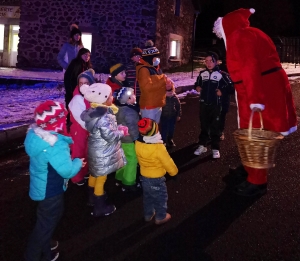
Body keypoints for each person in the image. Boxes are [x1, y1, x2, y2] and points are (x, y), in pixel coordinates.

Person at [213, 8, 297, 196]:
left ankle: (257, 180)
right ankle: (249, 168)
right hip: (267, 86)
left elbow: (250, 68)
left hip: (258, 90)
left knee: (255, 135)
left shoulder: (239, 37)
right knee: (254, 133)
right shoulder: (252, 33)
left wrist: (255, 99)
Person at [24, 101, 85, 261]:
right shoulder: (55, 143)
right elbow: (67, 170)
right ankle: (34, 255)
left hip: (42, 188)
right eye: (62, 118)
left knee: (45, 221)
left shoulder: (36, 136)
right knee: (45, 225)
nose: (65, 121)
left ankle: (46, 245)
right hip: (51, 191)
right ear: (55, 122)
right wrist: (78, 162)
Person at [80, 83, 128, 217]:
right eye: (110, 95)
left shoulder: (93, 112)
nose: (112, 97)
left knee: (94, 174)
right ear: (104, 99)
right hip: (103, 152)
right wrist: (122, 132)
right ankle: (100, 207)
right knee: (101, 178)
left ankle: (92, 198)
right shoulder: (104, 116)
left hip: (96, 149)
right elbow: (110, 136)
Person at [135, 118, 178, 225]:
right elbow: (167, 162)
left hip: (144, 177)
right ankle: (160, 216)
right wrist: (174, 173)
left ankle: (148, 214)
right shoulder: (158, 147)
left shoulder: (137, 143)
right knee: (161, 197)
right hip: (157, 179)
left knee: (148, 197)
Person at [193, 51, 233, 159]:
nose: (208, 63)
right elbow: (197, 83)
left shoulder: (222, 74)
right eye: (206, 61)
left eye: (211, 61)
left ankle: (215, 148)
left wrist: (222, 91)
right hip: (204, 104)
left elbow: (231, 88)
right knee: (204, 126)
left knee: (215, 127)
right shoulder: (202, 74)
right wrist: (197, 87)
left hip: (216, 105)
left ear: (216, 62)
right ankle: (202, 145)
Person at [68, 69, 96, 186]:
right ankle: (76, 176)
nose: (83, 86)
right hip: (79, 131)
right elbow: (81, 118)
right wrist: (92, 128)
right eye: (81, 83)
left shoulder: (91, 97)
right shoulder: (77, 99)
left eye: (86, 83)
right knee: (78, 152)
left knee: (86, 152)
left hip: (87, 130)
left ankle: (84, 171)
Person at [114, 87, 140, 192]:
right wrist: (136, 139)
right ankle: (128, 182)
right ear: (128, 99)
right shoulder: (130, 111)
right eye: (132, 95)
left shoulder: (118, 108)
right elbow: (132, 127)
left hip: (121, 139)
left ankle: (119, 177)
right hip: (129, 140)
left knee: (123, 159)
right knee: (132, 160)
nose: (135, 96)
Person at [136, 40, 167, 123]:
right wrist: (163, 81)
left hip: (157, 104)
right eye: (155, 57)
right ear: (149, 58)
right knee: (149, 132)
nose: (157, 59)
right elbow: (147, 88)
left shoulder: (156, 68)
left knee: (155, 131)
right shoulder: (144, 70)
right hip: (149, 106)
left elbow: (160, 83)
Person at [64, 48, 92, 127]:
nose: (87, 57)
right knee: (72, 109)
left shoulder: (86, 65)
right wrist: (70, 90)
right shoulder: (76, 64)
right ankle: (71, 126)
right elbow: (70, 77)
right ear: (80, 55)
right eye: (85, 55)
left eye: (89, 55)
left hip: (81, 91)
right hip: (73, 91)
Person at [160, 82, 182, 148]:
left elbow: (178, 106)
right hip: (164, 115)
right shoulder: (162, 95)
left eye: (169, 85)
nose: (168, 86)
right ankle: (163, 140)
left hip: (172, 116)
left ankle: (170, 139)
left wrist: (178, 115)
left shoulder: (174, 96)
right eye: (166, 84)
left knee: (171, 129)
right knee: (164, 129)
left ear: (172, 86)